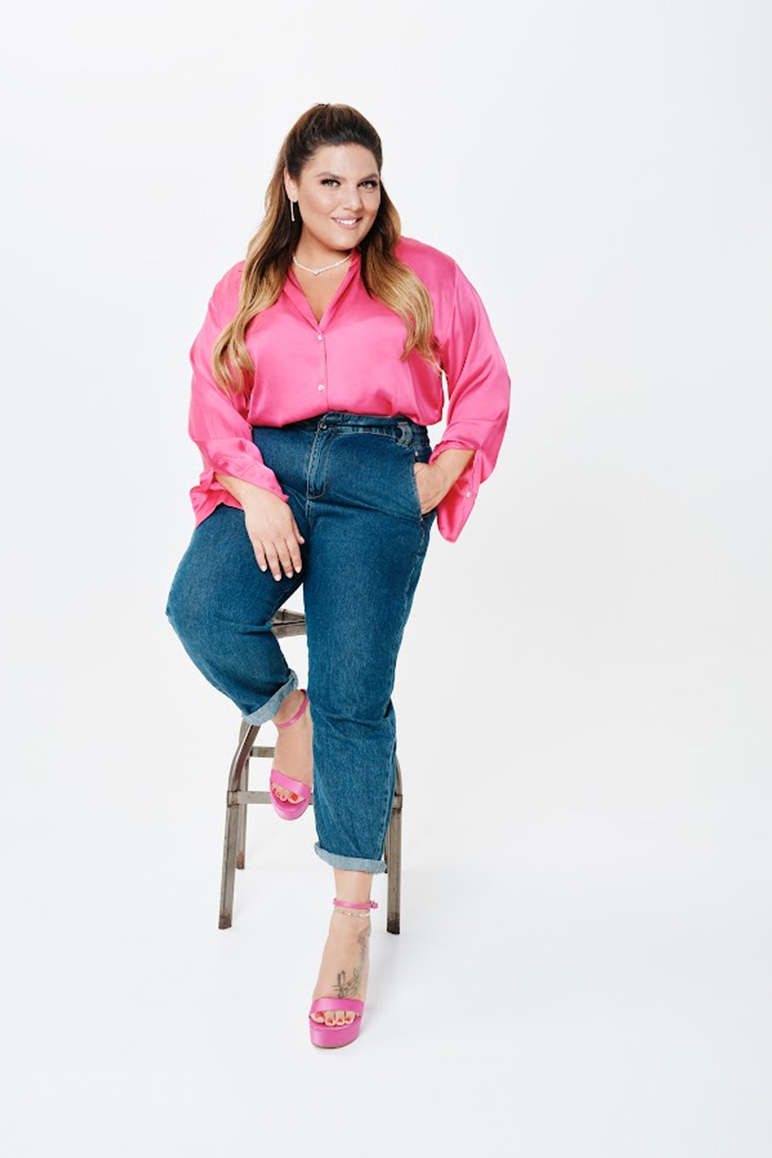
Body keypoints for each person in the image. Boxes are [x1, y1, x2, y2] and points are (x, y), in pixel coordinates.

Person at [165, 102, 511, 1048]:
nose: (352, 201)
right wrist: (254, 492)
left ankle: (349, 921)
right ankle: (292, 716)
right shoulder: (247, 285)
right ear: (292, 185)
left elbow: (483, 378)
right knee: (201, 608)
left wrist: (441, 470)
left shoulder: (423, 275)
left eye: (366, 182)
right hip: (271, 467)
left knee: (356, 689)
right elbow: (212, 396)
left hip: (378, 471)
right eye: (330, 182)